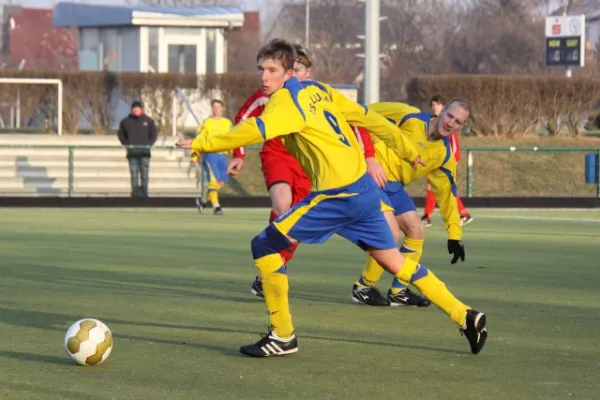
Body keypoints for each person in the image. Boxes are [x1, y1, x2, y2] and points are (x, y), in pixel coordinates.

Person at [176, 38, 487, 358]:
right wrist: (409, 150)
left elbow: (254, 130)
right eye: (261, 70)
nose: (264, 78)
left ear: (289, 73)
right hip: (365, 191)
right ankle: (465, 316)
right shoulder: (321, 90)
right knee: (394, 260)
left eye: (273, 70)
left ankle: (282, 335)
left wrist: (204, 143)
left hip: (337, 195)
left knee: (264, 244)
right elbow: (368, 117)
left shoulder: (285, 102)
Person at [228, 44, 402, 304]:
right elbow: (244, 120)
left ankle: (368, 285)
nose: (290, 76)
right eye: (288, 70)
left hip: (312, 163)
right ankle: (272, 267)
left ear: (308, 72)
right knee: (283, 202)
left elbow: (355, 123)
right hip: (278, 153)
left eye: (297, 70)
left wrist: (369, 157)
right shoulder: (267, 96)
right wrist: (238, 155)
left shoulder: (318, 95)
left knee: (389, 232)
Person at [352, 100, 469, 308]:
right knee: (390, 233)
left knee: (416, 229)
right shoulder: (408, 115)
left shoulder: (443, 155)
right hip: (369, 176)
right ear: (442, 112)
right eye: (450, 116)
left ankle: (399, 291)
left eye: (458, 122)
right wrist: (368, 156)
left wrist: (454, 235)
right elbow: (362, 113)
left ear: (461, 127)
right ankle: (363, 287)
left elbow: (447, 195)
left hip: (394, 186)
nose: (451, 123)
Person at [421, 95, 473, 227]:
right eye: (432, 105)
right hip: (434, 160)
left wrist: (453, 161)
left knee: (444, 188)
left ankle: (428, 216)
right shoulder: (431, 121)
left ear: (442, 107)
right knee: (437, 188)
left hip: (444, 162)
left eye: (436, 105)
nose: (434, 107)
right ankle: (461, 214)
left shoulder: (450, 124)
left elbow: (454, 146)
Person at [194, 99, 233, 215]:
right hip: (210, 155)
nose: (216, 109)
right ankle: (217, 207)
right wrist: (194, 156)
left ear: (222, 109)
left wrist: (235, 152)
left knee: (222, 181)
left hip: (222, 155)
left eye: (218, 107)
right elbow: (198, 138)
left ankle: (203, 201)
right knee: (213, 181)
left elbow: (232, 137)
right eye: (214, 107)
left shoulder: (227, 123)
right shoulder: (206, 122)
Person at [117, 101, 158, 197]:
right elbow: (121, 134)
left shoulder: (148, 121)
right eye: (134, 108)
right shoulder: (125, 121)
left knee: (144, 175)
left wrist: (149, 144)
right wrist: (127, 144)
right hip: (132, 153)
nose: (136, 110)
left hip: (144, 153)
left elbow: (154, 133)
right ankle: (135, 193)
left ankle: (145, 193)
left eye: (138, 108)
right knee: (134, 174)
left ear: (141, 109)